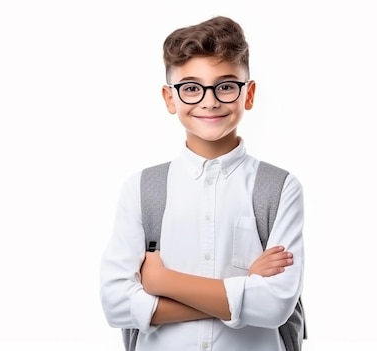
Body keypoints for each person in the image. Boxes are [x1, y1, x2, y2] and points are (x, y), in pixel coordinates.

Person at [99, 15, 305, 351]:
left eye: (225, 86)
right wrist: (243, 286)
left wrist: (161, 282)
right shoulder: (142, 188)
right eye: (192, 88)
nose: (209, 101)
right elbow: (115, 304)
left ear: (248, 94)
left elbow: (274, 306)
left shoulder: (279, 187)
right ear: (170, 99)